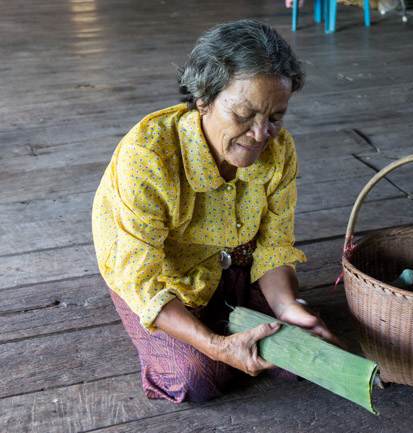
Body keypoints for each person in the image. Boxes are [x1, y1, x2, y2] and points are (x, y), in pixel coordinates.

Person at [91, 19, 337, 403]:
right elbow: (142, 278)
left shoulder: (279, 149)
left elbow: (273, 246)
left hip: (234, 260)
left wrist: (289, 308)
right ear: (203, 98)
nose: (260, 135)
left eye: (274, 117)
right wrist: (215, 346)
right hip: (160, 277)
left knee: (299, 354)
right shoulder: (148, 157)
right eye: (243, 115)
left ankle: (236, 316)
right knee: (199, 377)